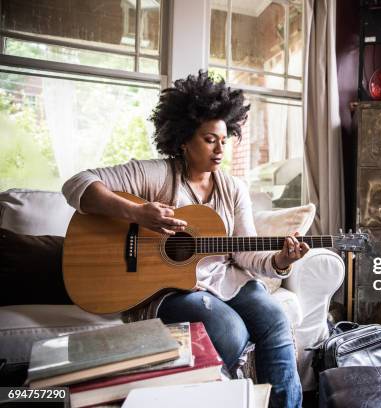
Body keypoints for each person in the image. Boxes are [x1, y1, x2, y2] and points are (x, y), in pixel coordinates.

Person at [62, 70, 307, 408]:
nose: (220, 149)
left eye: (224, 139)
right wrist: (136, 213)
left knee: (275, 317)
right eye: (209, 140)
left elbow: (246, 252)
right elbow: (77, 184)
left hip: (226, 281)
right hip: (169, 289)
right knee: (229, 331)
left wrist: (281, 261)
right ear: (182, 140)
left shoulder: (233, 188)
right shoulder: (157, 174)